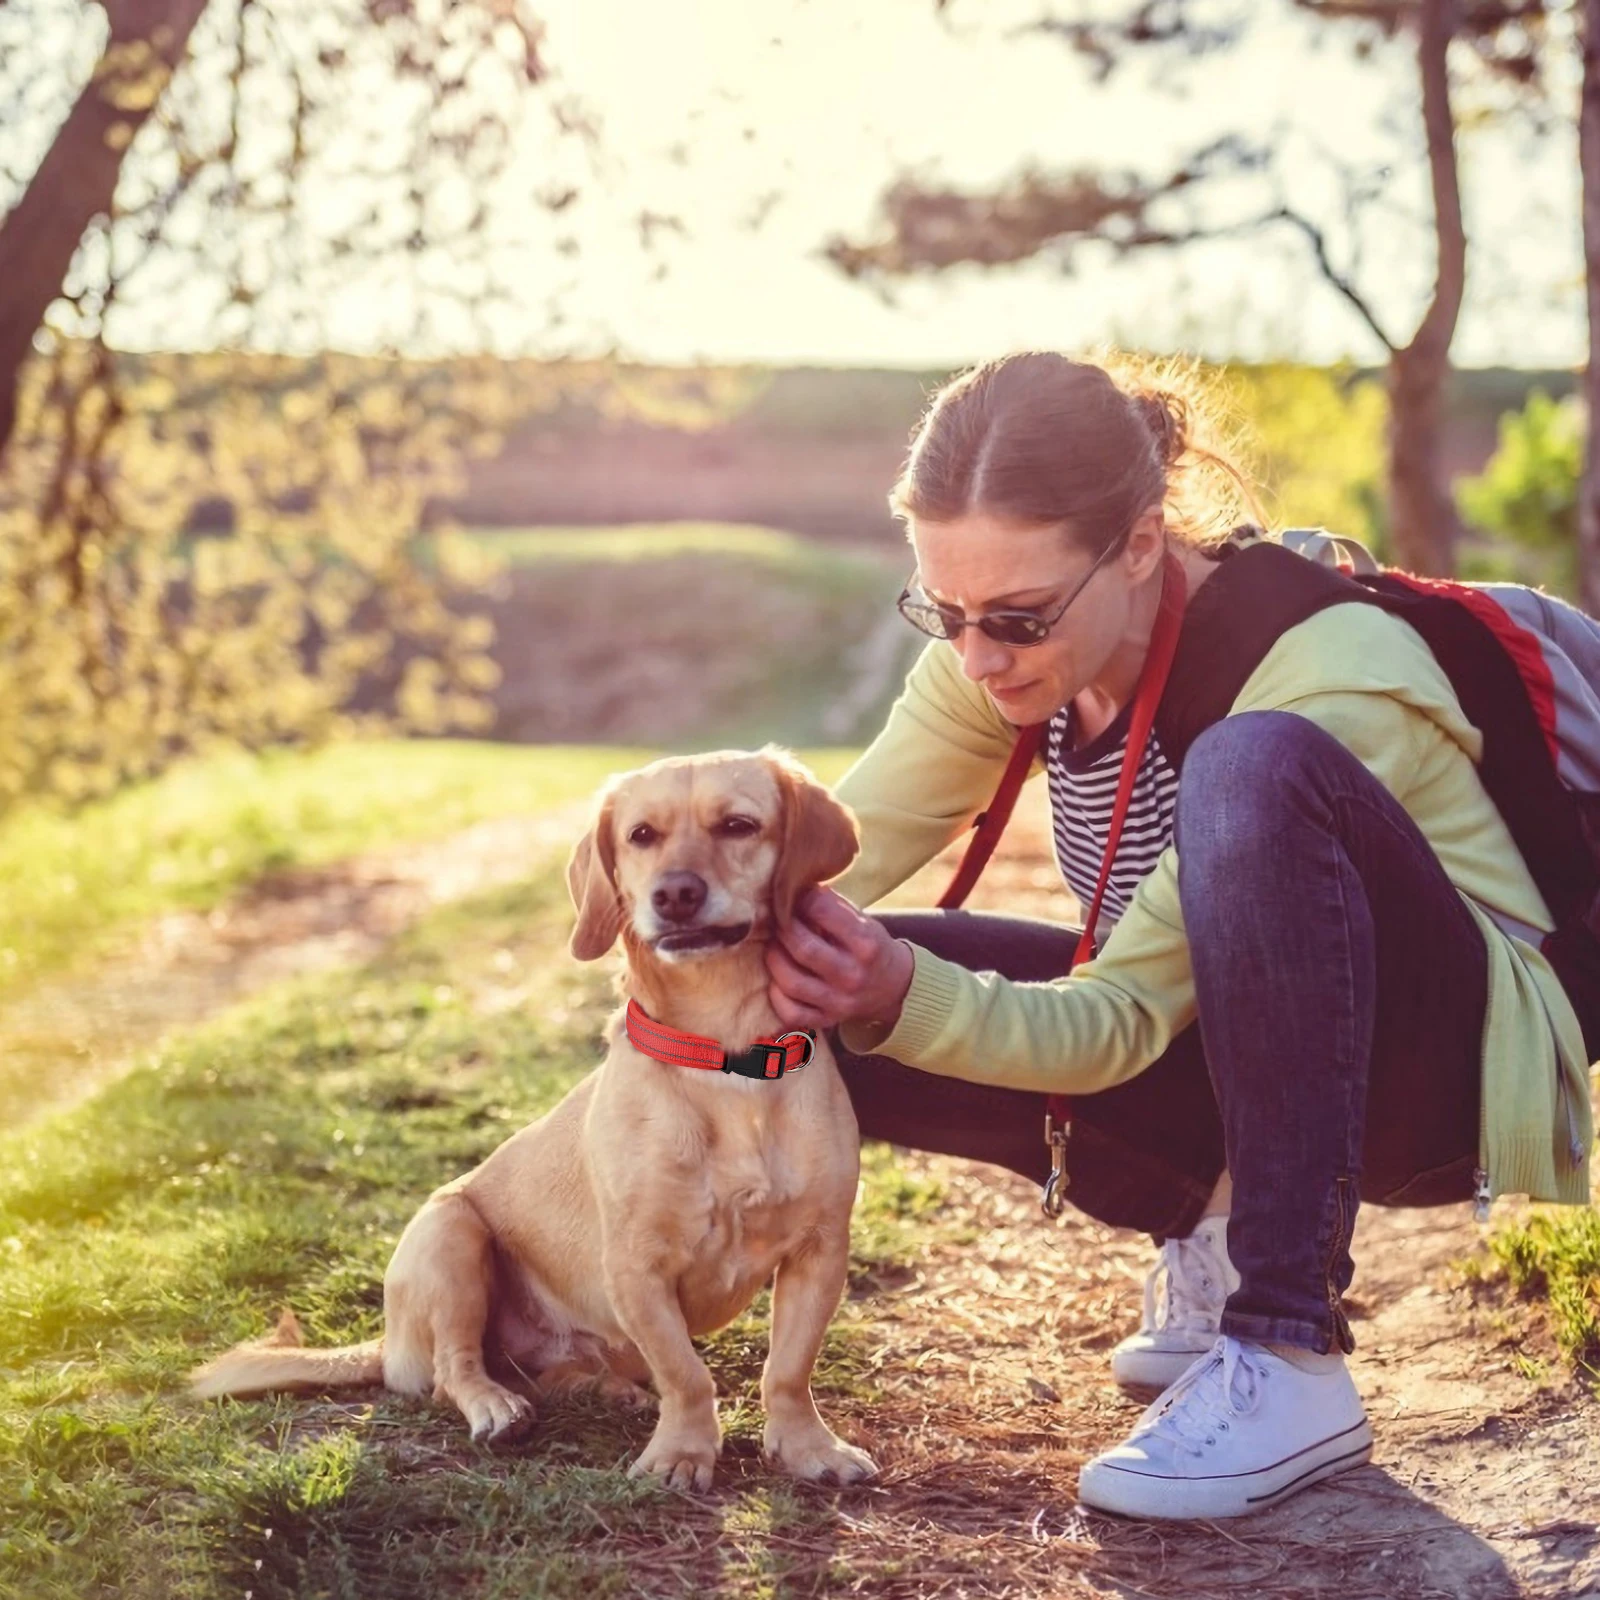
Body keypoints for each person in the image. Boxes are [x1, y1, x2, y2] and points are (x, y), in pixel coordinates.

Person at [762, 349, 1593, 1522]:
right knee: (793, 983)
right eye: (942, 612)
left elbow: (1114, 1023)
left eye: (1014, 616)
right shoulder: (1001, 657)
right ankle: (1208, 1217)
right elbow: (813, 861)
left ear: (1141, 546)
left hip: (1435, 1078)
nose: (977, 655)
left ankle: (1288, 1347)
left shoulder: (1323, 676)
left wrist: (906, 991)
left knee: (1246, 769)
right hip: (1228, 1044)